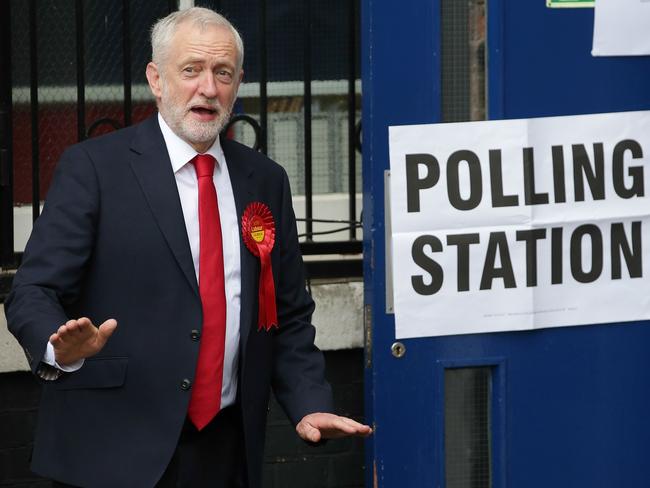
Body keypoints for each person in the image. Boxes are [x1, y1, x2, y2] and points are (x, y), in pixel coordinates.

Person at [5, 7, 371, 488]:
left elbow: (287, 315)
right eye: (191, 70)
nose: (208, 88)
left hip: (225, 449)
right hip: (110, 451)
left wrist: (310, 403)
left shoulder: (265, 180)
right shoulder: (94, 169)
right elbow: (31, 291)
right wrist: (61, 345)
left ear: (239, 82)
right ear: (156, 79)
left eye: (222, 73)